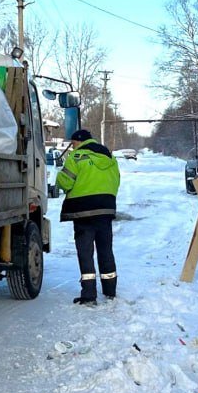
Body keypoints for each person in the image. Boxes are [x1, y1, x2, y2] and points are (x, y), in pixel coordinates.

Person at [55, 128, 121, 305]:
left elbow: (65, 182)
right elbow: (116, 180)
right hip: (105, 210)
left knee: (85, 253)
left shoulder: (76, 157)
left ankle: (89, 294)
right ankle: (110, 290)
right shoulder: (109, 158)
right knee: (105, 249)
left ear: (77, 142)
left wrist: (59, 177)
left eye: (73, 143)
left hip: (83, 212)